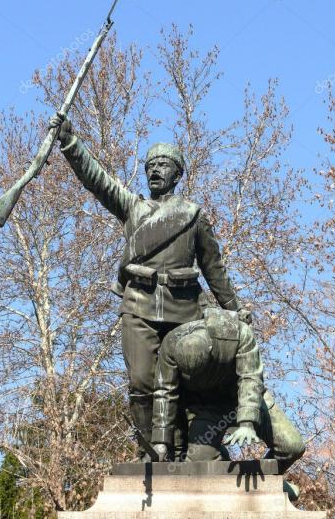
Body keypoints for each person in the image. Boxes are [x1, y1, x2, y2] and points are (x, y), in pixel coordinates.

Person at [49, 113, 249, 460]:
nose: (154, 170)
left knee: (183, 386)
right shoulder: (133, 208)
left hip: (184, 307)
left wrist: (234, 309)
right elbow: (96, 180)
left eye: (163, 165)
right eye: (150, 165)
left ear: (177, 173)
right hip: (139, 304)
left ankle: (183, 450)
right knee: (142, 383)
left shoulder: (193, 215)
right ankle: (150, 451)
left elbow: (214, 268)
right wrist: (69, 142)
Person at [151, 306, 305, 475]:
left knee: (292, 447)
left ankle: (271, 483)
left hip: (243, 400)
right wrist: (161, 441)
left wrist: (247, 423)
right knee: (199, 466)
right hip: (206, 408)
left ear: (210, 350)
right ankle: (233, 478)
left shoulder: (239, 333)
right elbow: (164, 392)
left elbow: (250, 378)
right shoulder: (170, 344)